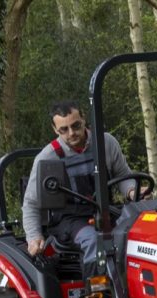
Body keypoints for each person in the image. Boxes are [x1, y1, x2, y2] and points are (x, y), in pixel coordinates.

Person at [21, 101, 139, 271]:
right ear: (55, 130)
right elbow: (31, 203)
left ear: (84, 119)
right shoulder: (47, 157)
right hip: (70, 220)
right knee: (93, 240)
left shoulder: (106, 143)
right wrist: (34, 237)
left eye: (76, 126)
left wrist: (131, 190)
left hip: (105, 211)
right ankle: (98, 293)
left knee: (139, 231)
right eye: (64, 130)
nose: (72, 133)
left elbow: (122, 176)